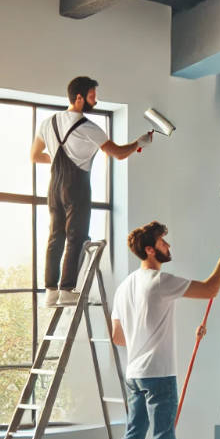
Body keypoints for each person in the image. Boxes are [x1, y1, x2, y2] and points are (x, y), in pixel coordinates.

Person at [111, 221, 220, 439]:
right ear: (150, 250)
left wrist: (145, 340)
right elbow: (210, 288)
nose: (169, 246)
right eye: (163, 243)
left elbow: (117, 336)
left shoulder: (125, 285)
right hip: (159, 376)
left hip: (135, 375)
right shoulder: (158, 280)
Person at [30, 76, 153, 307]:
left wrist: (58, 158)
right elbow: (118, 153)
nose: (95, 101)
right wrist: (140, 143)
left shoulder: (48, 123)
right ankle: (67, 289)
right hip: (76, 186)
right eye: (92, 96)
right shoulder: (89, 127)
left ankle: (50, 291)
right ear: (79, 98)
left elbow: (35, 156)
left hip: (54, 185)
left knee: (55, 236)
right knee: (76, 236)